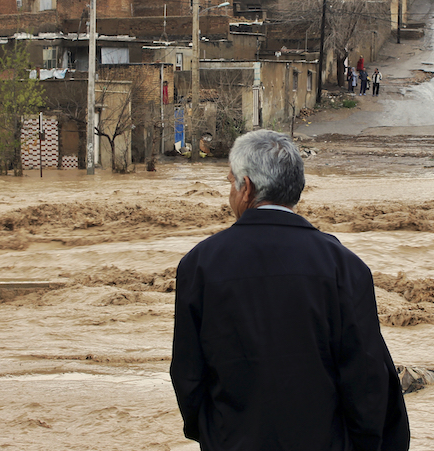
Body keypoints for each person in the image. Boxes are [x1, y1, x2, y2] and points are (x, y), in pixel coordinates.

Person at [171, 130, 411, 451]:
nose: (230, 192)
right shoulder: (344, 266)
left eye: (231, 182)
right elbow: (367, 376)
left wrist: (214, 434)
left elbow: (188, 376)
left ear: (247, 188)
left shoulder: (199, 264)